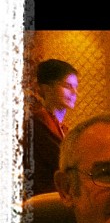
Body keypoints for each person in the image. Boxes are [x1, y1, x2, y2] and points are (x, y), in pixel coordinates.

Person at [24, 59, 79, 196]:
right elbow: (67, 164)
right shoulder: (38, 122)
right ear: (47, 89)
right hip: (47, 199)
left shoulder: (61, 127)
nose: (75, 92)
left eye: (75, 87)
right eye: (67, 86)